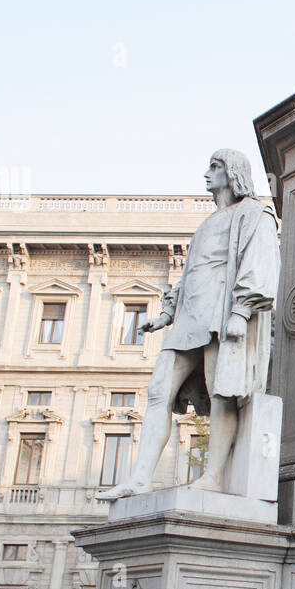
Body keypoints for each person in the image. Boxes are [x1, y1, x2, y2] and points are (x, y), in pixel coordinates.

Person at [97, 150, 279, 499]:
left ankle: (212, 476)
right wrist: (166, 314)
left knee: (222, 392)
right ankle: (140, 478)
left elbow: (260, 262)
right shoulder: (208, 223)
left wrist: (241, 311)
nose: (207, 174)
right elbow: (191, 274)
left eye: (215, 167)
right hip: (188, 318)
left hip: (221, 316)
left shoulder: (254, 213)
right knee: (158, 392)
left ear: (233, 173)